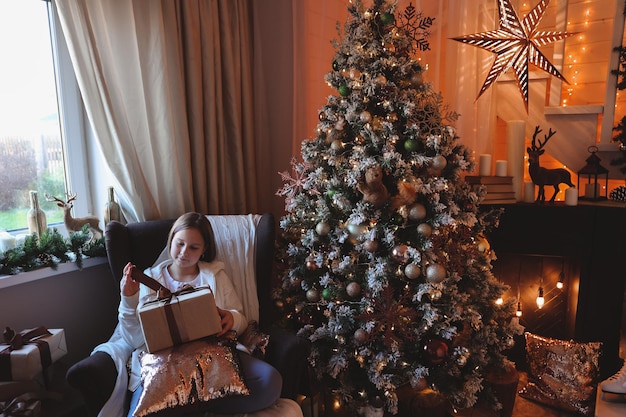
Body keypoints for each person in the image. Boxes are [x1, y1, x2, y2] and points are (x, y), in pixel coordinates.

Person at [94, 212, 282, 417]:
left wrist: (232, 319)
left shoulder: (216, 276)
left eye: (193, 247)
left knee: (270, 382)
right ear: (171, 240)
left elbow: (240, 317)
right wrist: (128, 299)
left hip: (215, 358)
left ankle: (198, 406)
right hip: (164, 366)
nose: (184, 252)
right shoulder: (149, 279)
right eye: (180, 243)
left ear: (204, 250)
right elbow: (135, 339)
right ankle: (194, 404)